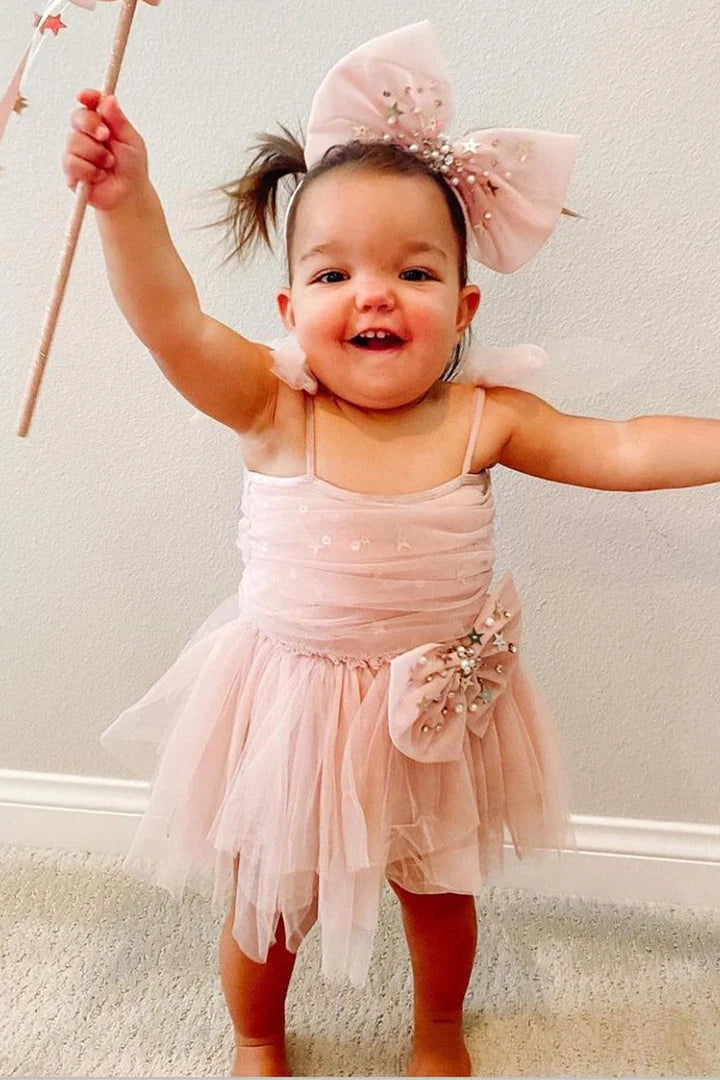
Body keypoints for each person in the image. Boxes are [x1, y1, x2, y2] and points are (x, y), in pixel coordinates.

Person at [63, 20, 719, 1080]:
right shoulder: (274, 407)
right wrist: (126, 201)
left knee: (441, 894)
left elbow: (624, 446)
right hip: (292, 714)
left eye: (413, 270)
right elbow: (171, 321)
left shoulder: (485, 419)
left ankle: (438, 1032)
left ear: (461, 309)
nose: (373, 292)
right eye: (334, 273)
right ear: (291, 310)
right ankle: (256, 1035)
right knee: (271, 905)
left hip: (431, 719)